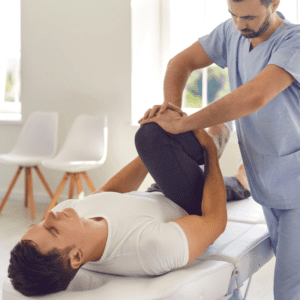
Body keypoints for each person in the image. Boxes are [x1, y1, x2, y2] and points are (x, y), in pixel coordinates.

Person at [139, 0, 300, 299]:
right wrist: (172, 110)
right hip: (266, 182)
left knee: (289, 290)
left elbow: (254, 95)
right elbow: (180, 63)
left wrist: (183, 126)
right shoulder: (232, 32)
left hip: (296, 185)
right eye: (233, 15)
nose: (240, 25)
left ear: (274, 3)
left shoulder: (295, 41)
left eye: (249, 16)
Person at [8, 110, 250, 297]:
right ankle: (226, 151)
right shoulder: (147, 249)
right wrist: (207, 149)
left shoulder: (69, 219)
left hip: (156, 193)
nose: (50, 215)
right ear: (76, 257)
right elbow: (214, 222)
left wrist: (150, 157)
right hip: (192, 204)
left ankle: (228, 153)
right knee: (152, 136)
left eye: (40, 223)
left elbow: (109, 193)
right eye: (52, 230)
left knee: (151, 137)